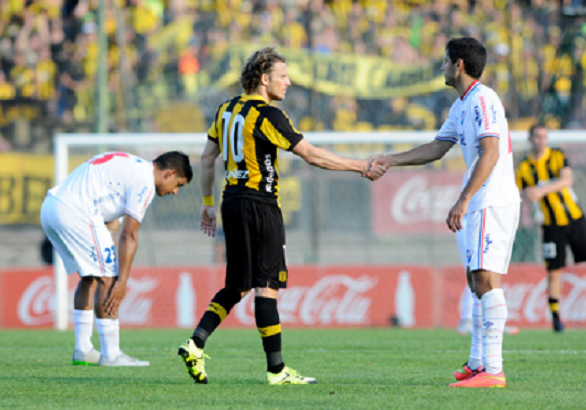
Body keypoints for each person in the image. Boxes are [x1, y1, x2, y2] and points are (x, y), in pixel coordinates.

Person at [177, 47, 384, 385]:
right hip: (261, 205)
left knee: (238, 284)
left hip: (231, 202)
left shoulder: (225, 110)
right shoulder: (268, 115)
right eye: (283, 76)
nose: (288, 83)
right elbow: (312, 156)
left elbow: (206, 157)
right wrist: (360, 166)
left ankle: (195, 343)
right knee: (266, 287)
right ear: (264, 78)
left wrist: (206, 203)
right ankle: (277, 371)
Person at [372, 37, 520, 388]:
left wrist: (464, 198)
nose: (440, 67)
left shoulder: (484, 99)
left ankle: (494, 371)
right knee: (475, 281)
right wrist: (391, 160)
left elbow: (491, 152)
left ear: (459, 66)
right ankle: (477, 363)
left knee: (485, 281)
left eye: (444, 61)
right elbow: (438, 148)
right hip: (482, 200)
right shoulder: (463, 105)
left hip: (490, 200)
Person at [41, 151, 192, 366]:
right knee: (108, 279)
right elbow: (129, 234)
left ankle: (83, 349)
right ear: (170, 173)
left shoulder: (133, 166)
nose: (175, 192)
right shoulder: (146, 182)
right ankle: (111, 354)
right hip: (76, 212)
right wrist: (122, 282)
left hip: (51, 207)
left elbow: (111, 217)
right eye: (178, 184)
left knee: (90, 276)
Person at [516, 124, 586, 332]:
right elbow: (519, 193)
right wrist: (527, 195)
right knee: (554, 272)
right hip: (550, 226)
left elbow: (567, 180)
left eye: (544, 136)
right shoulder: (524, 168)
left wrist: (540, 190)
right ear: (530, 139)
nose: (541, 140)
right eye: (537, 136)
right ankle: (556, 318)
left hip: (574, 219)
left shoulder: (557, 156)